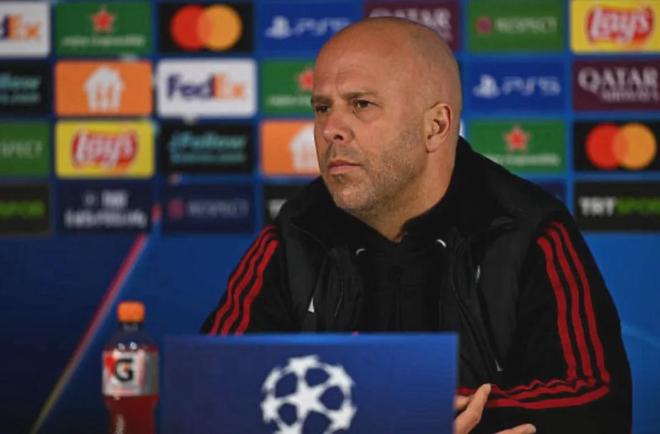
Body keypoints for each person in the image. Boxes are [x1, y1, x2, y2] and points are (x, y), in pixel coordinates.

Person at [201, 18, 631, 434]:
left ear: (436, 126)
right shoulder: (296, 233)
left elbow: (593, 404)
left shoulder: (527, 230)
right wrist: (410, 415)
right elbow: (210, 388)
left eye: (361, 105)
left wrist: (387, 414)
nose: (330, 129)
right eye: (322, 108)